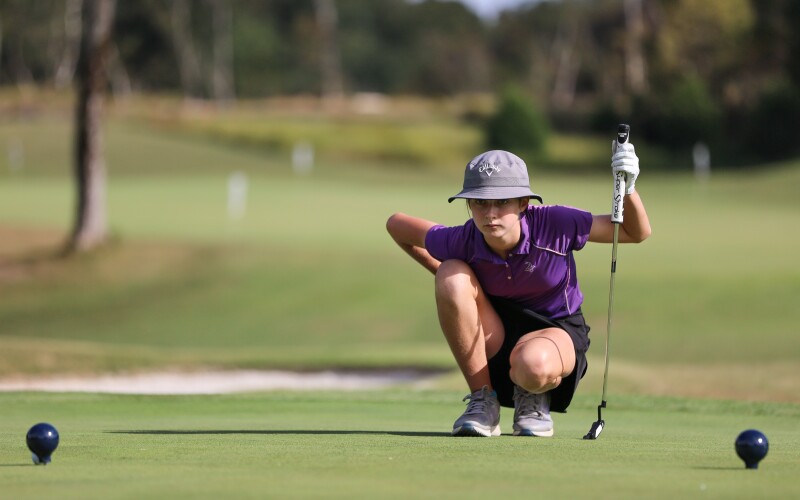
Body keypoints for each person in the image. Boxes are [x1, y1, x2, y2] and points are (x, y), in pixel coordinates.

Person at [385, 144, 651, 437]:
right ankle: (483, 401)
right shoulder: (463, 238)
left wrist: (629, 188)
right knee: (451, 274)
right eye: (480, 202)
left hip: (556, 333)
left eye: (502, 202)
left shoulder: (556, 223)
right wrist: (454, 287)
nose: (490, 213)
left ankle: (534, 397)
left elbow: (634, 232)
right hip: (495, 336)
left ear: (523, 202)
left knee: (532, 363)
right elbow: (396, 225)